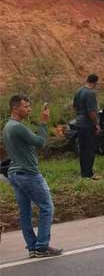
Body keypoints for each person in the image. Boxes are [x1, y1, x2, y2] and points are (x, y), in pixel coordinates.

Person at [3, 96, 63, 257]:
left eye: (29, 106)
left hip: (15, 174)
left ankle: (32, 246)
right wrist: (43, 122)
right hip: (28, 174)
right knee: (47, 207)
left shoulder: (8, 126)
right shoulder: (17, 127)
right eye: (26, 107)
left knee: (25, 212)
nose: (29, 109)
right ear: (15, 109)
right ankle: (42, 246)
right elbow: (40, 142)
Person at [73, 74, 101, 179]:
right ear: (95, 82)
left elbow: (74, 107)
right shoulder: (90, 94)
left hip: (79, 123)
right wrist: (96, 124)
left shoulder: (79, 91)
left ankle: (84, 172)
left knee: (83, 149)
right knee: (90, 149)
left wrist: (79, 116)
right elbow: (92, 112)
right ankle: (89, 173)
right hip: (88, 125)